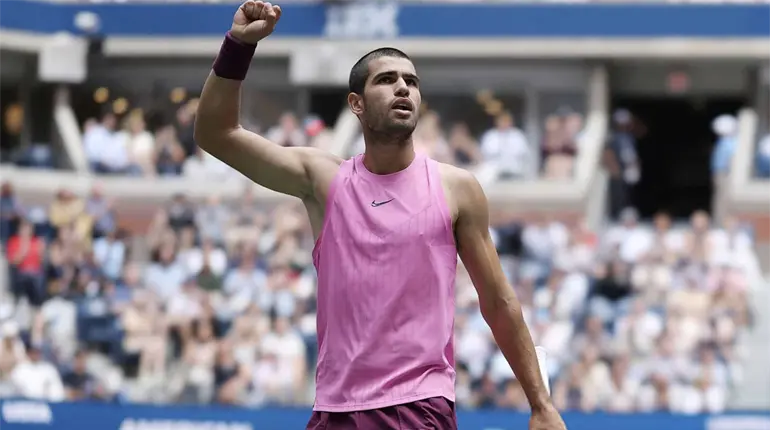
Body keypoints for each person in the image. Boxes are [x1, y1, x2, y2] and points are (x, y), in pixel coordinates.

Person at [195, 2, 567, 429]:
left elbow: (499, 302)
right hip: (333, 410)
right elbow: (215, 133)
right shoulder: (323, 180)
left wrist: (541, 404)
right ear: (356, 103)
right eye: (387, 80)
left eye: (411, 81)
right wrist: (239, 45)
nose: (403, 88)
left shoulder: (456, 188)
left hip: (418, 407)